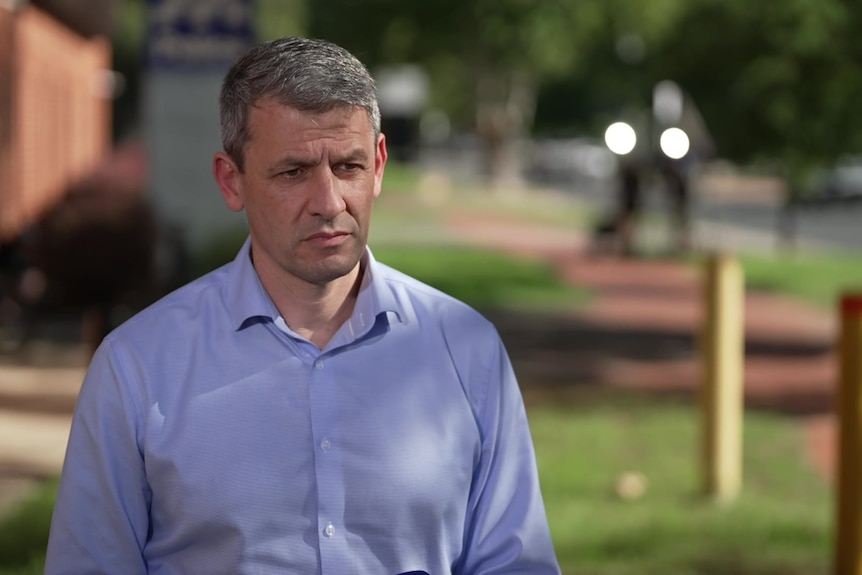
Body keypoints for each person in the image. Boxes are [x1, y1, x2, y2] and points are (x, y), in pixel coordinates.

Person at [45, 36, 561, 574]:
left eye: (349, 166)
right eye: (293, 172)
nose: (328, 202)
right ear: (231, 181)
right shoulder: (137, 366)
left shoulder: (466, 350)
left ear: (379, 166)